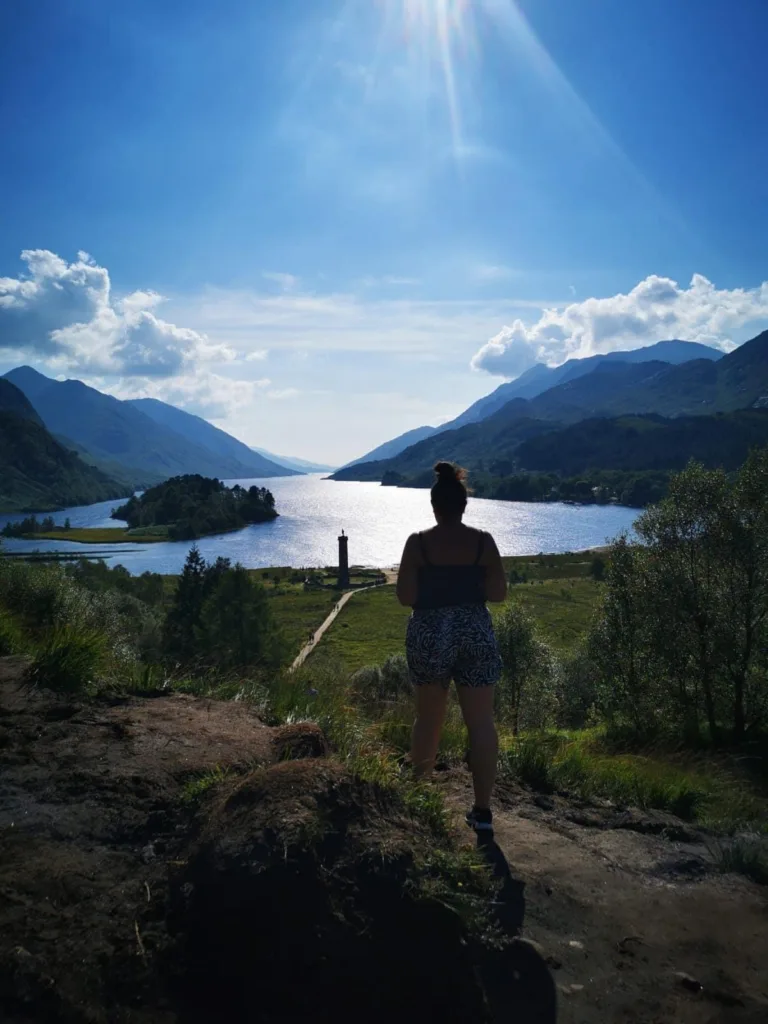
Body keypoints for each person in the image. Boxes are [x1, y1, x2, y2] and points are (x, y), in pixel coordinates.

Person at [396, 461, 507, 832]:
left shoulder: (418, 543)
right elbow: (498, 594)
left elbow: (405, 597)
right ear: (464, 505)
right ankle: (482, 813)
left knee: (428, 720)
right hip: (475, 632)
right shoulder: (483, 541)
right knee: (481, 723)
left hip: (430, 635)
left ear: (433, 506)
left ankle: (419, 799)